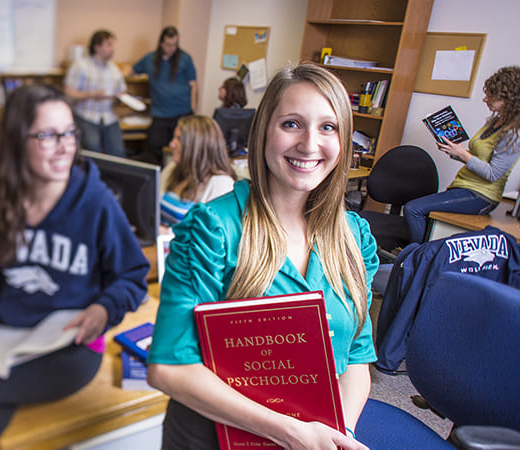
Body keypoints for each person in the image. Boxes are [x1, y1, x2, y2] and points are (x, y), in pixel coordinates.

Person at [147, 64, 377, 449]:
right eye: (291, 124)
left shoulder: (354, 237)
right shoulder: (213, 228)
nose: (309, 144)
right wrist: (292, 433)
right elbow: (169, 368)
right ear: (262, 131)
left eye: (328, 127)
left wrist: (342, 434)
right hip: (212, 438)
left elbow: (356, 356)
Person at [0, 84, 149, 449]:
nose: (64, 146)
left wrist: (103, 308)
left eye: (69, 133)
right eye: (47, 135)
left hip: (69, 346)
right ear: (17, 141)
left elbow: (132, 274)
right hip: (7, 339)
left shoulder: (96, 203)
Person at [404, 66, 520, 243]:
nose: (485, 99)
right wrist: (454, 151)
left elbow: (493, 174)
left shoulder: (515, 133)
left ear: (509, 99)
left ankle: (417, 259)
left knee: (413, 209)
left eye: (491, 96)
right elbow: (478, 159)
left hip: (481, 195)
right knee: (424, 214)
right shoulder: (496, 121)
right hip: (464, 186)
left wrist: (463, 154)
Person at [132, 26, 197, 165]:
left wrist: (193, 107)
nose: (171, 48)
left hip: (182, 112)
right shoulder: (150, 59)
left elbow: (194, 85)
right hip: (160, 113)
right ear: (161, 43)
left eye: (174, 45)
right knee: (153, 147)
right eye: (168, 45)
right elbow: (132, 71)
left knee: (184, 148)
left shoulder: (185, 58)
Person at [160, 115, 236, 228]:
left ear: (197, 146)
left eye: (179, 139)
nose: (171, 144)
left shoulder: (221, 184)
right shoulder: (174, 168)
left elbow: (209, 235)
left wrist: (165, 233)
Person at [64, 29, 127, 157]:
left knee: (118, 152)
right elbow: (68, 93)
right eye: (109, 44)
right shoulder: (80, 66)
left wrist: (119, 98)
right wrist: (92, 95)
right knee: (92, 148)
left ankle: (112, 177)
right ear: (97, 47)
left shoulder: (114, 70)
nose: (113, 49)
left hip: (109, 117)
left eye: (113, 45)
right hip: (87, 116)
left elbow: (122, 92)